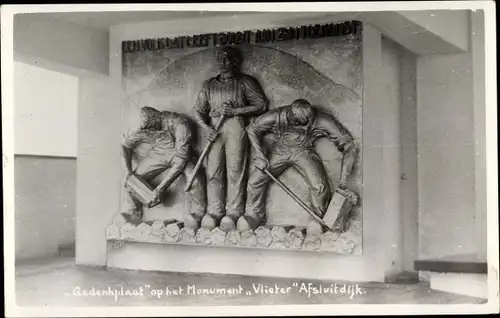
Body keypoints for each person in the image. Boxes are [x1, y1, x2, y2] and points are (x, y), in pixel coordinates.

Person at [239, 99, 359, 234]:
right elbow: (252, 128)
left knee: (319, 185)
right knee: (255, 181)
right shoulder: (277, 115)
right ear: (290, 115)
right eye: (298, 123)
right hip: (279, 151)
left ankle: (317, 219)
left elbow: (348, 144)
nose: (304, 126)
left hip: (304, 151)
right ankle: (253, 215)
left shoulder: (322, 120)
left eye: (307, 123)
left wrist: (343, 181)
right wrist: (260, 155)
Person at [192, 46, 269, 232]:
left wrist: (236, 111)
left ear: (236, 62)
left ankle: (234, 211)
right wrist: (206, 127)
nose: (225, 63)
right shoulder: (208, 85)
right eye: (221, 59)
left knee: (235, 171)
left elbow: (261, 104)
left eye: (229, 59)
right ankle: (215, 211)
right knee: (213, 171)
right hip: (214, 131)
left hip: (236, 128)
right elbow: (197, 110)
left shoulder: (245, 82)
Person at [122, 106, 206, 227]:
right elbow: (125, 145)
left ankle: (197, 215)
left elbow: (180, 161)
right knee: (132, 180)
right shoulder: (143, 127)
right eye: (145, 129)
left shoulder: (180, 123)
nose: (147, 131)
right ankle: (134, 214)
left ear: (156, 119)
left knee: (194, 177)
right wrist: (128, 171)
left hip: (180, 154)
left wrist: (161, 187)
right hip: (160, 152)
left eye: (149, 128)